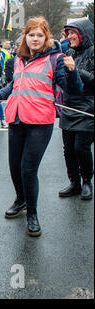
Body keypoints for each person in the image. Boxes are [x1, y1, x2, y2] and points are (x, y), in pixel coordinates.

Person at [0, 16, 83, 237]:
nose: (35, 39)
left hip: (40, 121)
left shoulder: (57, 59)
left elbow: (72, 89)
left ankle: (32, 213)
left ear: (46, 37)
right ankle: (20, 200)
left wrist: (71, 71)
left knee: (28, 169)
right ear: (25, 37)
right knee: (14, 167)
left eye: (40, 35)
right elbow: (15, 84)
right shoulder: (20, 59)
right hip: (17, 119)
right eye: (31, 35)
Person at [58, 19, 94, 200]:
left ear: (83, 34)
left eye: (73, 33)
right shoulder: (69, 52)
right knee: (68, 149)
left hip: (88, 106)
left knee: (81, 147)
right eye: (68, 33)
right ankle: (74, 182)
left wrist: (76, 70)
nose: (69, 36)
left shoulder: (93, 52)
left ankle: (87, 181)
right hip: (68, 105)